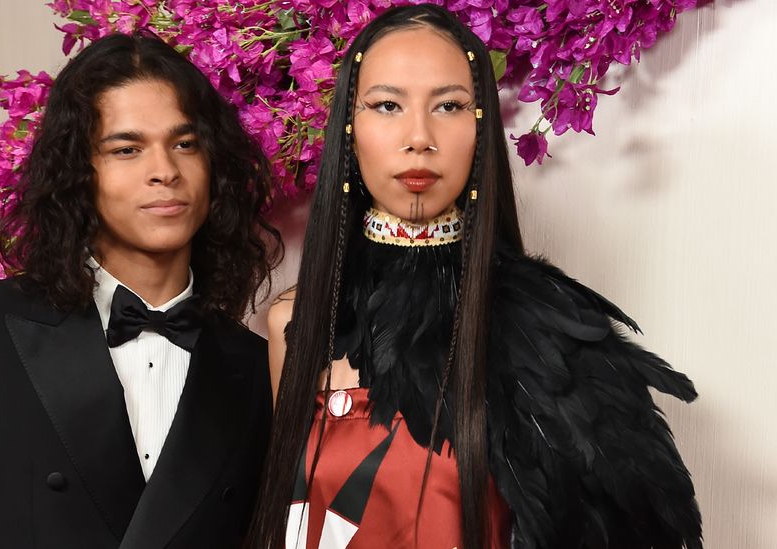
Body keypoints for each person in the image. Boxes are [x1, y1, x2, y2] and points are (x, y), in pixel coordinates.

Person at [251, 5, 701, 549]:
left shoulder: (553, 342)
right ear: (350, 127)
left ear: (480, 126)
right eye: (387, 105)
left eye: (449, 106)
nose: (419, 136)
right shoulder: (293, 323)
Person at [0, 32, 281, 549]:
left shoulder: (257, 364)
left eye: (185, 144)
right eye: (127, 149)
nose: (165, 172)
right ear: (77, 173)